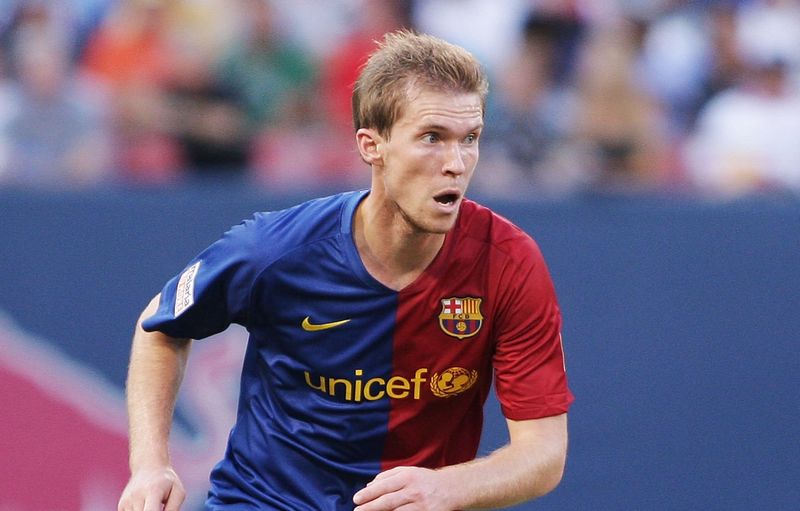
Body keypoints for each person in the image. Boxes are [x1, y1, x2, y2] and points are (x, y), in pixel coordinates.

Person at [117, 29, 573, 511]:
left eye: (471, 139)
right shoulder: (273, 250)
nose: (456, 164)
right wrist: (150, 465)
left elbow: (542, 453)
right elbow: (160, 326)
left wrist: (449, 487)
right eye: (432, 138)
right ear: (371, 145)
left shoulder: (509, 262)